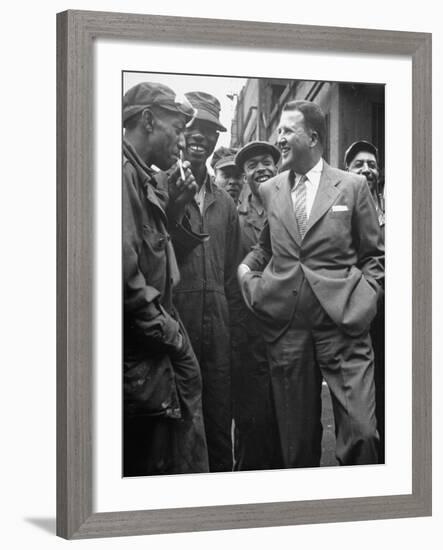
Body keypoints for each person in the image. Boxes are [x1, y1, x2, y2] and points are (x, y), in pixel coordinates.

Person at [238, 100, 384, 468]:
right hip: (287, 331)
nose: (279, 139)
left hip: (344, 327)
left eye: (287, 131)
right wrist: (246, 273)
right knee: (296, 449)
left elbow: (373, 256)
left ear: (313, 137)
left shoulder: (351, 186)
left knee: (363, 436)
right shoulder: (270, 189)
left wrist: (365, 300)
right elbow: (265, 246)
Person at [122, 82, 209, 476]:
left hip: (153, 336)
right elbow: (122, 274)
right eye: (175, 129)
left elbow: (154, 250)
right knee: (151, 462)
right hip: (145, 343)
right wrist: (168, 331)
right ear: (147, 120)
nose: (180, 140)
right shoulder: (121, 176)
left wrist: (172, 207)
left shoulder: (141, 177)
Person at [170, 91, 244, 472]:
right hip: (176, 325)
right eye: (193, 127)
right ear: (181, 132)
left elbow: (233, 278)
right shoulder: (162, 186)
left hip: (219, 331)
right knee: (180, 428)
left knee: (218, 424)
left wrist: (233, 334)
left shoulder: (226, 204)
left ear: (217, 139)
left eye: (209, 130)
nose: (200, 136)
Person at [232, 141, 283, 470]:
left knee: (286, 422)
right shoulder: (232, 213)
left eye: (267, 162)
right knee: (251, 423)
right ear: (245, 175)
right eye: (253, 165)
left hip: (287, 329)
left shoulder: (292, 202)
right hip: (247, 334)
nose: (261, 168)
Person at [345, 140, 386, 462]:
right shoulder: (341, 214)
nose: (366, 170)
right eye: (358, 165)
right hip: (359, 322)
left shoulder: (395, 209)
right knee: (362, 412)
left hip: (394, 324)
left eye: (371, 165)